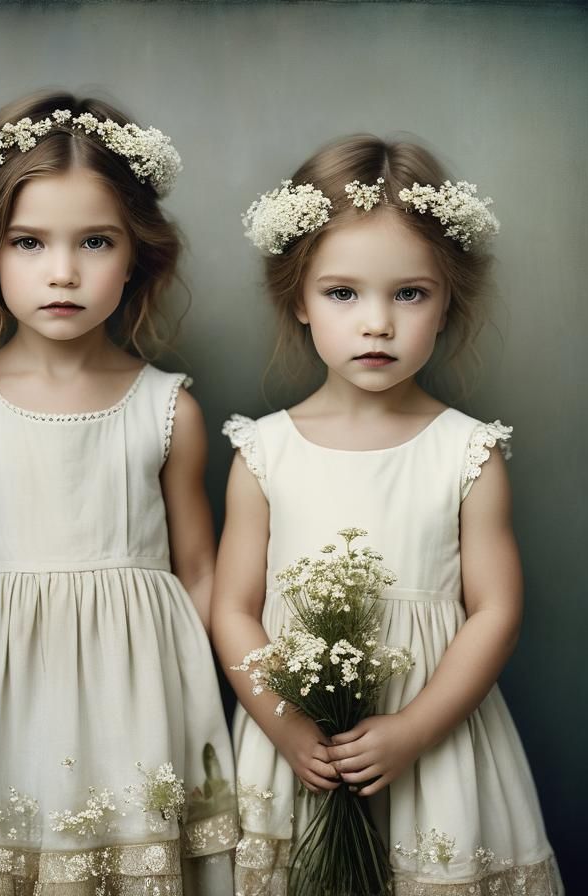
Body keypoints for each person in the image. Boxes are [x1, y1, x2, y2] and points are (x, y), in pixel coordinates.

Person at [213, 136, 562, 895]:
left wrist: (414, 730)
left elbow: (496, 611)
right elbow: (233, 610)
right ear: (298, 300)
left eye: (409, 294)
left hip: (432, 748)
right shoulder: (265, 452)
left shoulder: (466, 452)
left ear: (446, 303)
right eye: (343, 293)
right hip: (299, 751)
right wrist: (284, 725)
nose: (377, 323)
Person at [0, 91, 239, 896]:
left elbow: (202, 573)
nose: (62, 272)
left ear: (135, 257)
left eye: (95, 241)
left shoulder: (168, 408)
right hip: (15, 700)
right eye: (29, 242)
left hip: (146, 696)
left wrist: (241, 707)